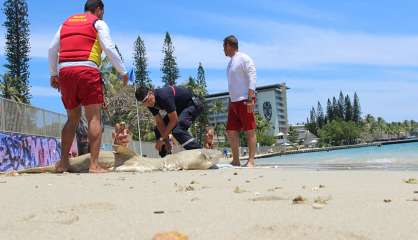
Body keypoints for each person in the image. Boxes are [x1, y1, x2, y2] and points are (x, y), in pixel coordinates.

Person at [48, 0, 128, 173]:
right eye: (103, 12)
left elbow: (52, 49)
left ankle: (63, 163)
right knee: (94, 118)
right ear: (99, 10)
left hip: (65, 72)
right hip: (87, 69)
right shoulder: (98, 23)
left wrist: (54, 74)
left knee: (72, 118)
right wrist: (122, 71)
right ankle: (93, 165)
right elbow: (109, 47)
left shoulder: (66, 23)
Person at [135, 85, 203, 158]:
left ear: (151, 93)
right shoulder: (150, 104)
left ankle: (202, 155)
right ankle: (165, 158)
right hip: (179, 109)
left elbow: (174, 120)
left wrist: (162, 139)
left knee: (177, 130)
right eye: (144, 103)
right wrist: (166, 141)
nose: (148, 104)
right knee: (158, 130)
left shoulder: (163, 96)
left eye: (147, 100)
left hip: (193, 105)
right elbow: (159, 123)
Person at [223, 35, 257, 168]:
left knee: (249, 130)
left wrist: (250, 97)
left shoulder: (243, 58)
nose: (223, 50)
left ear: (229, 46)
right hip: (234, 102)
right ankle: (236, 160)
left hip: (245, 99)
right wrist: (230, 102)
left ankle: (251, 160)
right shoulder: (230, 63)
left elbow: (252, 76)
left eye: (224, 47)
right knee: (231, 131)